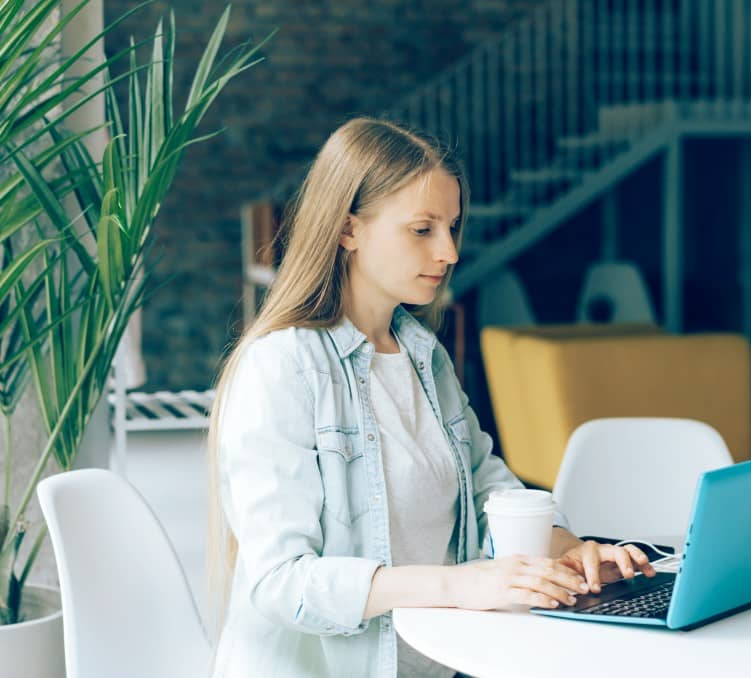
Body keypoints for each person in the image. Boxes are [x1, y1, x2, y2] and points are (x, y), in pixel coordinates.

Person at [207, 117, 656, 678]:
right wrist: (459, 584)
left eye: (452, 227)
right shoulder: (281, 367)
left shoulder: (425, 357)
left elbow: (487, 484)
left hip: (439, 663)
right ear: (349, 230)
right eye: (422, 229)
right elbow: (279, 582)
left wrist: (567, 547)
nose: (448, 252)